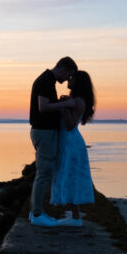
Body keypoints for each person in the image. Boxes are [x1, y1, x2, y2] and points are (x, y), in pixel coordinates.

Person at [28, 56, 78, 227]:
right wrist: (66, 105)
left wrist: (58, 102)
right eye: (68, 75)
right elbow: (43, 107)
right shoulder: (45, 80)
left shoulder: (48, 80)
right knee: (44, 173)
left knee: (44, 172)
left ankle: (36, 212)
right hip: (44, 131)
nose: (66, 81)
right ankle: (37, 213)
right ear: (63, 68)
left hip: (44, 131)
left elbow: (47, 105)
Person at [51, 69, 96, 226]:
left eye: (72, 78)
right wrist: (64, 103)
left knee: (71, 177)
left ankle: (76, 217)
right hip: (69, 141)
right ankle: (75, 215)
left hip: (71, 141)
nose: (69, 80)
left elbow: (70, 125)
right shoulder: (75, 99)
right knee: (70, 176)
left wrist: (63, 107)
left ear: (78, 82)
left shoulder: (76, 101)